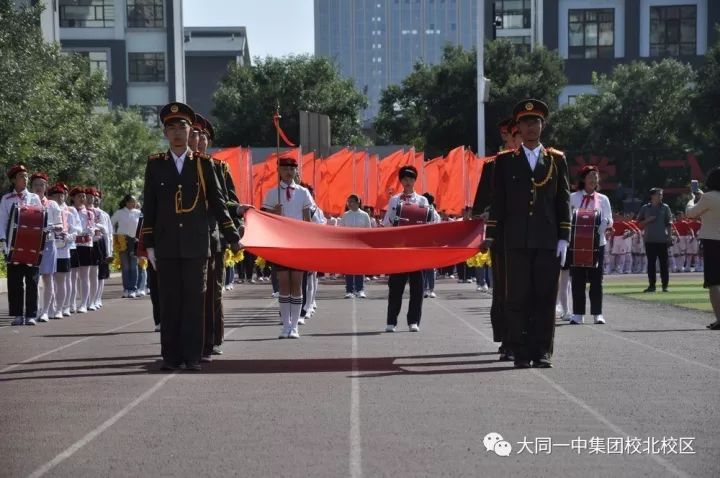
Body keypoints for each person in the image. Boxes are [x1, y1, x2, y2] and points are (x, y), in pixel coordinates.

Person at [142, 102, 241, 371]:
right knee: (170, 302)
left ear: (190, 131)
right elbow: (148, 206)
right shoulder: (155, 165)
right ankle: (171, 356)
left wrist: (232, 234)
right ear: (164, 133)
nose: (177, 132)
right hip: (166, 244)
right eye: (171, 127)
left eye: (182, 127)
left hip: (198, 245)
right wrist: (148, 244)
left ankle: (193, 356)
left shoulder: (203, 164)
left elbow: (219, 202)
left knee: (195, 303)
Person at [483, 99, 571, 369]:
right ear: (518, 127)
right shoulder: (506, 161)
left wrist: (564, 236)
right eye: (526, 122)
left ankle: (542, 351)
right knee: (517, 297)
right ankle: (520, 351)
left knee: (544, 297)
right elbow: (498, 201)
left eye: (536, 122)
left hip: (547, 240)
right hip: (515, 240)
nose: (531, 127)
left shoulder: (556, 160)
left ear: (542, 125)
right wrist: (492, 236)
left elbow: (563, 199)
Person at [472, 118, 518, 359]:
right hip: (501, 237)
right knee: (504, 291)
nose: (520, 139)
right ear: (506, 136)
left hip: (530, 237)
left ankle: (525, 338)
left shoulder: (541, 161)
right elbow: (479, 204)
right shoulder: (493, 165)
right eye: (515, 134)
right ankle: (507, 340)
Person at [262, 153, 314, 339]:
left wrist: (309, 241)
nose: (288, 172)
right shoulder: (272, 193)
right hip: (281, 243)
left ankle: (295, 326)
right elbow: (265, 220)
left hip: (299, 243)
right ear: (279, 171)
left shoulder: (303, 192)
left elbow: (308, 219)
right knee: (284, 284)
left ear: (296, 171)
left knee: (297, 285)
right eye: (285, 169)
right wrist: (274, 213)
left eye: (292, 169)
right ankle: (285, 326)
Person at [382, 165, 429, 333]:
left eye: (411, 179)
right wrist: (395, 219)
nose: (408, 182)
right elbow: (386, 222)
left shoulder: (422, 201)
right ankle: (391, 321)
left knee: (417, 288)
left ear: (415, 181)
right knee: (395, 287)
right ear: (401, 181)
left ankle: (413, 321)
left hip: (416, 249)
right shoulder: (394, 200)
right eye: (405, 179)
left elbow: (433, 220)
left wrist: (429, 215)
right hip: (398, 249)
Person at [568, 166, 613, 325]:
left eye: (596, 176)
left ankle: (597, 313)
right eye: (590, 176)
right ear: (583, 179)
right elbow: (567, 217)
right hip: (576, 244)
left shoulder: (603, 199)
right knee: (578, 279)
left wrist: (605, 223)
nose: (594, 179)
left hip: (597, 244)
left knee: (596, 280)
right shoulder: (573, 197)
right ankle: (577, 313)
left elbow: (609, 218)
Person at [0, 165, 43, 325]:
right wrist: (3, 241)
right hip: (13, 245)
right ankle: (18, 315)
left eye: (26, 176)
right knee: (15, 281)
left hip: (31, 244)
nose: (25, 179)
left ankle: (31, 314)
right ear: (13, 180)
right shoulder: (6, 199)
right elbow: (2, 221)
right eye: (21, 176)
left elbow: (39, 220)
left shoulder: (34, 198)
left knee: (32, 280)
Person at [685, 167, 720, 329]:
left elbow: (691, 213)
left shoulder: (708, 197)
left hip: (713, 241)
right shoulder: (708, 198)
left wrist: (692, 199)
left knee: (714, 282)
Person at [30, 172, 63, 323]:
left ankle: (46, 310)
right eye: (36, 184)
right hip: (31, 244)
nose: (38, 187)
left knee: (48, 277)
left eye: (41, 184)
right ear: (31, 186)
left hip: (49, 243)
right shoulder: (28, 202)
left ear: (46, 187)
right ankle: (34, 309)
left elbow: (60, 226)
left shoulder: (53, 204)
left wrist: (50, 227)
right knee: (33, 278)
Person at [637, 188, 673, 292]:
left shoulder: (665, 207)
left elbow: (669, 224)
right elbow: (639, 223)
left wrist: (670, 237)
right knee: (651, 264)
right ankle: (652, 285)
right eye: (658, 194)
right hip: (649, 240)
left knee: (664, 264)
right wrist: (648, 220)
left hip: (662, 240)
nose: (661, 196)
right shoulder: (645, 208)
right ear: (652, 196)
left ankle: (665, 286)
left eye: (661, 194)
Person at [47, 183, 73, 319]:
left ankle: (62, 307)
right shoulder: (47, 208)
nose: (59, 198)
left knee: (62, 280)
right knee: (49, 280)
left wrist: (69, 236)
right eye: (56, 195)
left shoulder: (70, 211)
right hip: (50, 248)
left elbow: (76, 228)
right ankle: (49, 307)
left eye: (62, 195)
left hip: (64, 249)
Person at [339, 194, 372, 298]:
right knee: (349, 268)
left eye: (352, 201)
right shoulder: (345, 215)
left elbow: (369, 230)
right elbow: (341, 230)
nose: (350, 204)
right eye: (348, 202)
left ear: (358, 202)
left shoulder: (364, 215)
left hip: (360, 245)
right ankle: (349, 290)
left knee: (359, 267)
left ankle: (360, 289)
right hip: (348, 245)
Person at [111, 194, 142, 298]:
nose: (133, 203)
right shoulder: (119, 212)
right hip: (122, 240)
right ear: (126, 202)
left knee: (134, 266)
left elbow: (143, 226)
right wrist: (115, 234)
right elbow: (110, 223)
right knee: (125, 266)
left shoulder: (138, 213)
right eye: (131, 201)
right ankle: (126, 289)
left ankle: (133, 289)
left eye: (134, 201)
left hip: (135, 241)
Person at [422, 192, 441, 298]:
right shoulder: (420, 210)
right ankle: (424, 289)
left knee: (431, 268)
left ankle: (431, 289)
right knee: (423, 267)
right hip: (422, 242)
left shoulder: (434, 213)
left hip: (432, 243)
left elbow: (437, 226)